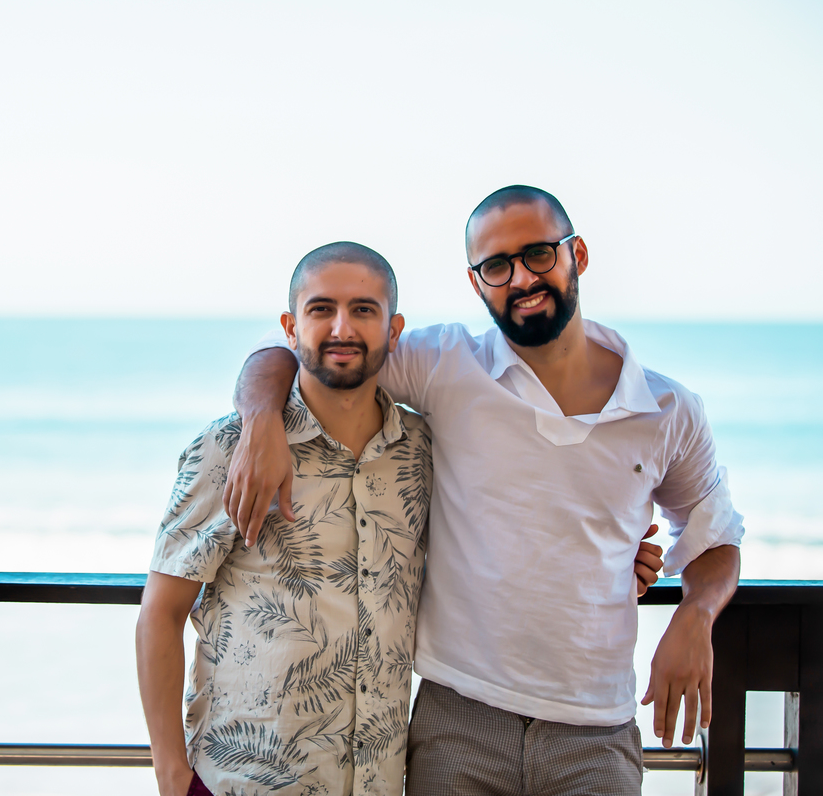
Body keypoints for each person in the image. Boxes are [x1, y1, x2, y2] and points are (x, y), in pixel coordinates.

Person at [224, 186, 742, 795]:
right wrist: (261, 421)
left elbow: (715, 536)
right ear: (477, 283)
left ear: (577, 253)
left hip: (596, 729)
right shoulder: (446, 364)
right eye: (497, 265)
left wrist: (696, 614)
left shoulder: (668, 408)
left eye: (540, 254)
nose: (521, 277)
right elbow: (297, 350)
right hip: (457, 718)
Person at [136, 240, 664, 796]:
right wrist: (173, 776)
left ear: (394, 330)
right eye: (321, 310)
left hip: (379, 781)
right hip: (244, 781)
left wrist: (611, 552)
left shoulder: (422, 451)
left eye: (364, 310)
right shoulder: (230, 447)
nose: (342, 327)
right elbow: (161, 614)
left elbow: (503, 524)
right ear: (290, 328)